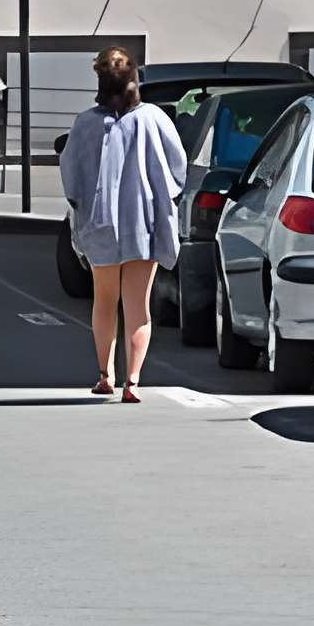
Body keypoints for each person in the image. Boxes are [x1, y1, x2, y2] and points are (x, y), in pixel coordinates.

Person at [56, 46, 191, 401]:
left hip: (100, 224)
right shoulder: (154, 119)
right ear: (134, 79)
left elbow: (70, 176)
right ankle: (133, 380)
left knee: (104, 301)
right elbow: (178, 169)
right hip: (143, 223)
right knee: (138, 306)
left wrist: (83, 205)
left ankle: (105, 374)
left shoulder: (86, 124)